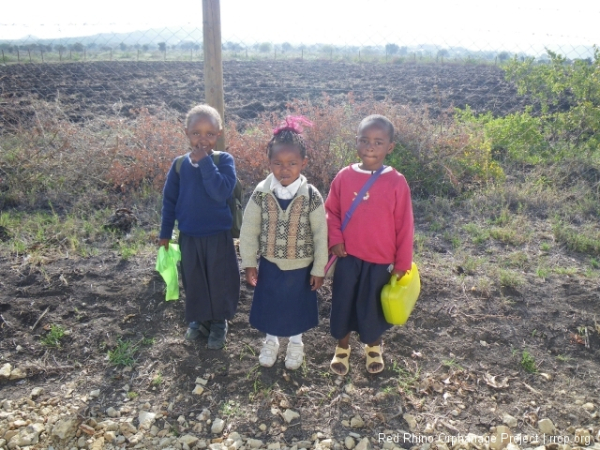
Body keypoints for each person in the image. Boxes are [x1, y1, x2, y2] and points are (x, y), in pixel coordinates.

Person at [325, 114, 414, 375]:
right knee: (343, 303)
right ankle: (342, 348)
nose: (371, 147)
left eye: (378, 141)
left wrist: (402, 263)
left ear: (390, 147)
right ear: (357, 143)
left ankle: (373, 347)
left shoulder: (397, 182)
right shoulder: (344, 177)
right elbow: (332, 212)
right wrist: (336, 240)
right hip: (348, 258)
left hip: (381, 261)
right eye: (365, 140)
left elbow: (405, 225)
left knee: (372, 307)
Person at [239, 116, 328, 370]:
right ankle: (271, 341)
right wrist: (249, 263)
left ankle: (296, 343)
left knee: (296, 308)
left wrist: (319, 269)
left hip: (302, 267)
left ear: (303, 163)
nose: (284, 169)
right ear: (269, 163)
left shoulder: (311, 196)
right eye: (277, 163)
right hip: (270, 265)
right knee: (271, 306)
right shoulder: (261, 192)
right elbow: (248, 230)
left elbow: (321, 235)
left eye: (292, 163)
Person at [159, 104, 240, 350]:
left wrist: (205, 163)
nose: (202, 140)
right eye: (196, 133)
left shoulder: (223, 160)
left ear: (219, 134)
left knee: (219, 280)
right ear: (186, 132)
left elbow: (220, 191)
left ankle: (218, 322)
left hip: (217, 236)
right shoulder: (179, 165)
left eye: (209, 134)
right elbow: (169, 202)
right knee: (194, 280)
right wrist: (164, 233)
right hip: (189, 236)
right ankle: (199, 320)